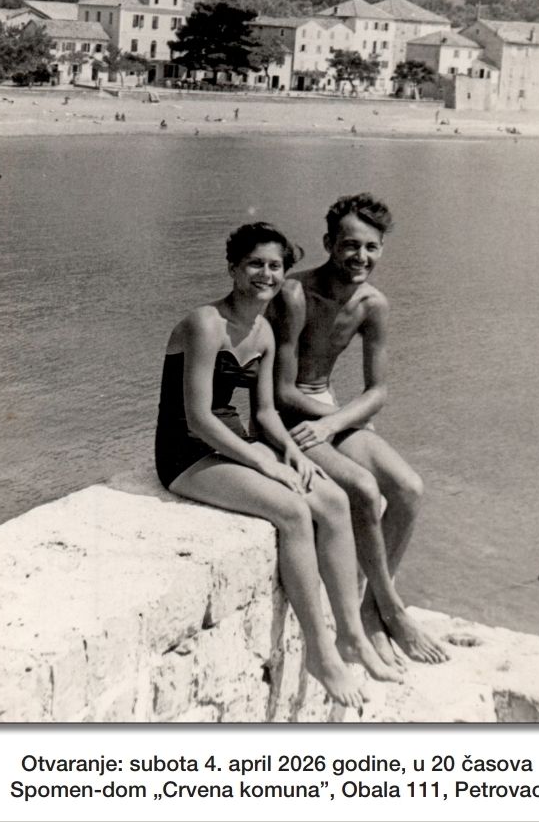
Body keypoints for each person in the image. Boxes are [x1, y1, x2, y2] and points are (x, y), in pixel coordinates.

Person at [155, 221, 401, 704]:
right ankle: (320, 653)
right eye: (255, 264)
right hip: (187, 452)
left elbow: (266, 412)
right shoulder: (206, 323)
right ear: (233, 268)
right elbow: (199, 419)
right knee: (291, 511)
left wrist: (288, 450)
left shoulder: (264, 331)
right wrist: (265, 465)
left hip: (234, 442)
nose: (266, 275)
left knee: (332, 499)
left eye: (275, 266)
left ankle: (351, 635)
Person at [269, 193, 447, 666]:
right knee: (364, 491)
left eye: (371, 247)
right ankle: (392, 609)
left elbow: (378, 390)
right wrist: (333, 418)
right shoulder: (294, 295)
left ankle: (372, 608)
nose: (361, 257)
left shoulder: (373, 304)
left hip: (326, 416)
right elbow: (281, 391)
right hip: (284, 419)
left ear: (381, 248)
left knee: (409, 489)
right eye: (350, 245)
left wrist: (336, 420)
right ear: (329, 243)